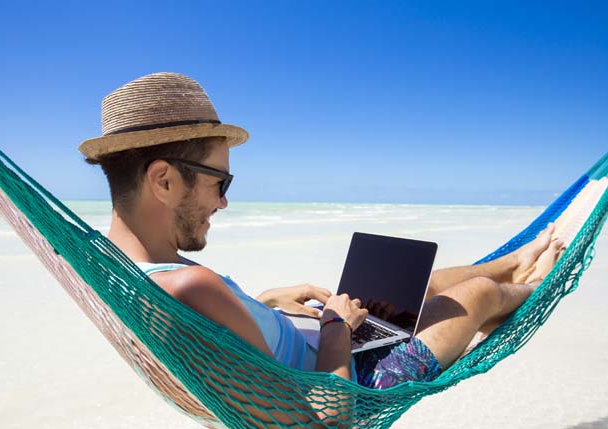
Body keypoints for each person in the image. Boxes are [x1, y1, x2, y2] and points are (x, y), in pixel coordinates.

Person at [79, 72, 564, 391]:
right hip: (353, 377)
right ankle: (534, 285)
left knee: (415, 285)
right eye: (220, 181)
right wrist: (335, 325)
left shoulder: (116, 265)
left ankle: (512, 260)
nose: (224, 201)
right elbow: (326, 423)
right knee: (475, 296)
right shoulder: (189, 284)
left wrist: (268, 300)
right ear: (163, 180)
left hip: (311, 336)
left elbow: (225, 331)